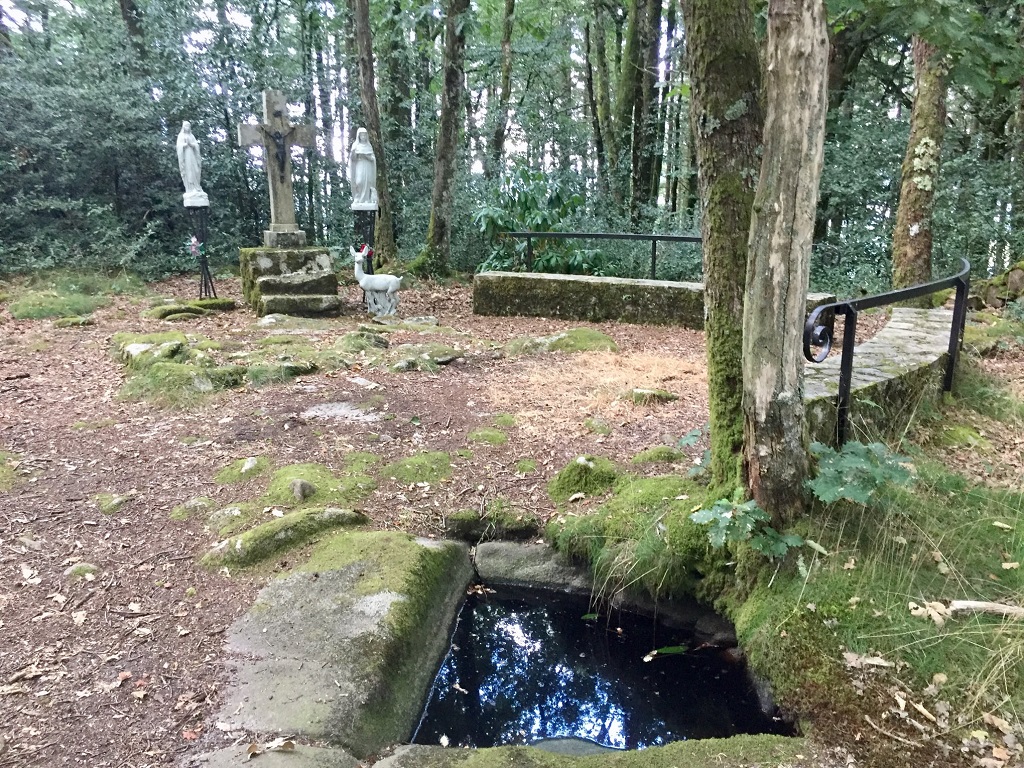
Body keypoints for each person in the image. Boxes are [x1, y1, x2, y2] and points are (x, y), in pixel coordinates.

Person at [176, 121, 208, 206]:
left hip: (193, 156)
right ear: (183, 127)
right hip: (186, 157)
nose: (188, 128)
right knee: (189, 171)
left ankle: (196, 187)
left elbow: (196, 145)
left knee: (195, 170)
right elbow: (179, 146)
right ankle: (190, 188)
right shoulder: (181, 136)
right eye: (186, 126)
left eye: (189, 126)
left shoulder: (191, 136)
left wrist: (191, 144)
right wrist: (185, 145)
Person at [348, 128, 378, 209]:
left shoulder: (369, 146)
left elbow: (373, 158)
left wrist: (368, 157)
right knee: (359, 181)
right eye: (362, 135)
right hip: (359, 164)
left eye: (364, 135)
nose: (363, 137)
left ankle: (367, 199)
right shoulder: (356, 145)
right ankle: (358, 197)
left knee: (367, 181)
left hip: (367, 165)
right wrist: (354, 152)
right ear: (359, 136)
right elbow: (353, 159)